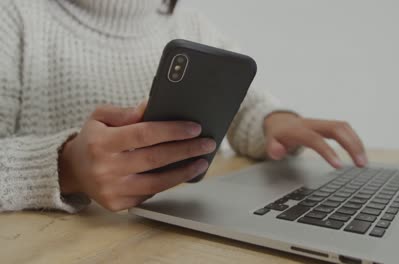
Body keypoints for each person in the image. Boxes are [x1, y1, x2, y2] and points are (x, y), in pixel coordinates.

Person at [0, 0, 367, 213]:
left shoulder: (194, 26)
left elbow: (245, 107)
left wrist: (276, 121)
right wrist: (64, 167)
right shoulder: (15, 17)